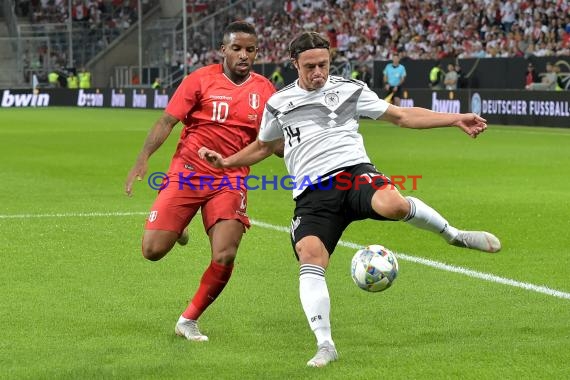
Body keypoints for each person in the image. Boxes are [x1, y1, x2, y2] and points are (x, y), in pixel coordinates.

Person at [198, 32, 501, 367]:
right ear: (294, 64)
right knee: (309, 255)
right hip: (312, 195)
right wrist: (227, 162)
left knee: (394, 204)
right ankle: (325, 344)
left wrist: (455, 119)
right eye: (310, 66)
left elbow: (401, 116)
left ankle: (453, 235)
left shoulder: (350, 88)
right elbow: (264, 146)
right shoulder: (279, 103)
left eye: (323, 64)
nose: (318, 72)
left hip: (353, 174)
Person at [124, 21, 277, 342]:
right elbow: (167, 121)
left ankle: (188, 320)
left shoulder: (265, 91)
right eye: (236, 48)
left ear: (257, 52)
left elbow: (273, 143)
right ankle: (178, 227)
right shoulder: (200, 80)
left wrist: (295, 150)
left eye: (250, 49)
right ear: (223, 50)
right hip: (188, 173)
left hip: (230, 179)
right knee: (152, 251)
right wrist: (142, 158)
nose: (243, 55)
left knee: (225, 254)